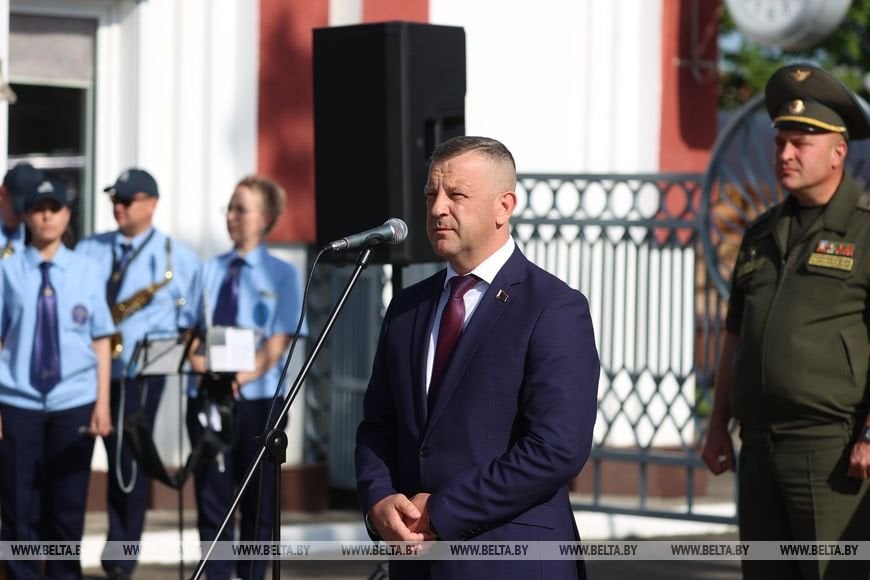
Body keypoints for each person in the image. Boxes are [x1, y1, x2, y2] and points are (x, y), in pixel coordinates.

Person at [354, 136, 600, 579]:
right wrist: (378, 500)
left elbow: (557, 448)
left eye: (456, 195)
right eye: (431, 194)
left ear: (503, 207)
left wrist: (445, 510)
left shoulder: (553, 307)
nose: (436, 209)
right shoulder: (409, 307)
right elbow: (378, 425)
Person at [701, 63, 870, 580]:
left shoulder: (864, 231)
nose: (785, 154)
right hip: (759, 447)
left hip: (832, 451)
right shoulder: (760, 233)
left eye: (802, 142)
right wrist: (716, 424)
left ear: (839, 151)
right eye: (780, 142)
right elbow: (736, 336)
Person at [180, 175, 307, 580]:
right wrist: (203, 367)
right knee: (211, 496)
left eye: (241, 208)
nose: (232, 217)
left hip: (258, 400)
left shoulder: (282, 274)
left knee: (257, 500)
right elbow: (189, 334)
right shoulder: (208, 270)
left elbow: (278, 342)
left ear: (265, 218)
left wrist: (242, 376)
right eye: (229, 208)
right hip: (208, 396)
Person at [75, 168, 200, 579]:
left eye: (127, 200)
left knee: (127, 467)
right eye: (115, 199)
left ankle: (120, 560)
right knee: (75, 462)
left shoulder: (177, 259)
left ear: (152, 204)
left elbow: (192, 325)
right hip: (87, 369)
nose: (119, 207)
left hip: (142, 373)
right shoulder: (91, 248)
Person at [0, 178, 114, 579]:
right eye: (38, 208)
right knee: (18, 503)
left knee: (67, 503)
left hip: (73, 399)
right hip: (18, 400)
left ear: (67, 214)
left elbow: (101, 339)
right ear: (27, 216)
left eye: (55, 207)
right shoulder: (8, 270)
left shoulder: (88, 270)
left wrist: (102, 404)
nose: (46, 215)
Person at [0, 163, 45, 258]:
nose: (22, 216)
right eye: (17, 209)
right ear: (2, 193)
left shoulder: (37, 235)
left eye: (29, 210)